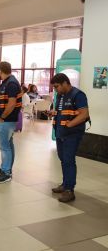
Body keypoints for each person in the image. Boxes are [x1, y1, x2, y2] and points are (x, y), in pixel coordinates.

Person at [49, 73, 89, 203]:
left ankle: (69, 190)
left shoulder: (78, 95)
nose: (55, 89)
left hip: (72, 134)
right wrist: (53, 113)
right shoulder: (60, 95)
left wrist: (70, 124)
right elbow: (63, 112)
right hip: (61, 133)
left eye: (56, 87)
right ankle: (65, 184)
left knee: (69, 160)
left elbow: (84, 115)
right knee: (63, 159)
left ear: (65, 83)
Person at [0, 62, 22, 184]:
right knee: (8, 145)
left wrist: (2, 117)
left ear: (0, 71)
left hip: (6, 121)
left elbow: (12, 103)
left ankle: (6, 172)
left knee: (4, 147)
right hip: (6, 121)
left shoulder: (11, 83)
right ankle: (7, 168)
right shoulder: (8, 82)